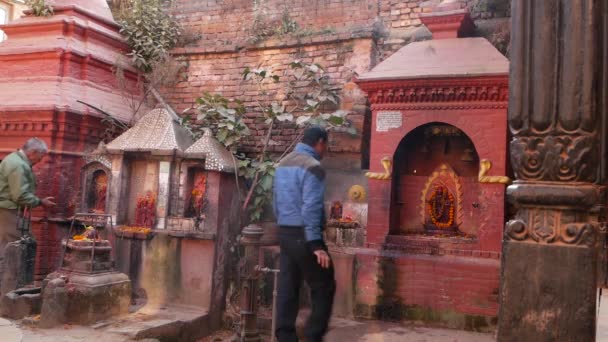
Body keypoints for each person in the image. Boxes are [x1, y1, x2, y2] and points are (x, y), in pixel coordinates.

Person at [273, 126, 335, 342]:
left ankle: (285, 337)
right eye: (326, 145)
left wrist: (283, 226)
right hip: (304, 235)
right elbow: (311, 206)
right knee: (324, 284)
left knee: (288, 286)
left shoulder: (283, 164)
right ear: (319, 142)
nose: (325, 150)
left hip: (285, 233)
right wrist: (316, 244)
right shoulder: (313, 166)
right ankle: (313, 336)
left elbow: (276, 202)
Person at [0, 138, 56, 290]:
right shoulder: (18, 165)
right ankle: (11, 288)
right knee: (19, 246)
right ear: (33, 152)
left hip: (9, 209)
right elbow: (20, 195)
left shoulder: (16, 160)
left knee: (8, 246)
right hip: (9, 210)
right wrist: (40, 202)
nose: (41, 160)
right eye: (41, 156)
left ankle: (11, 287)